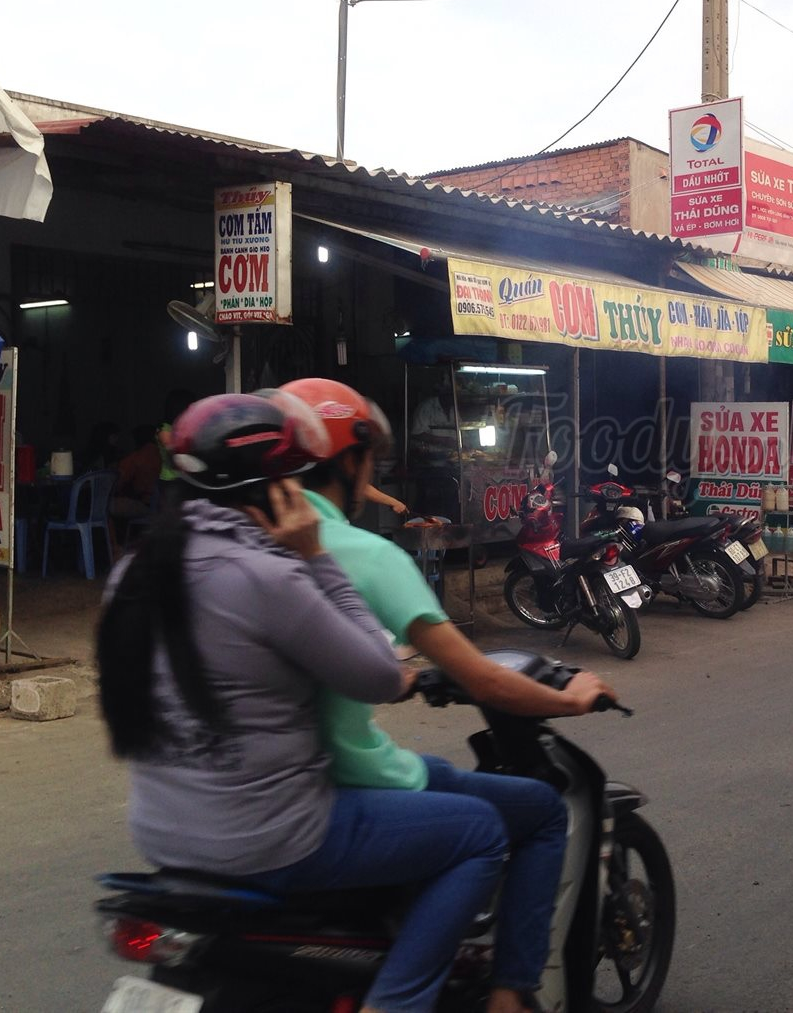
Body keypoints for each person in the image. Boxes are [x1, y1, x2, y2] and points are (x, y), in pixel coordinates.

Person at [95, 392, 512, 1013]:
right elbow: (377, 675)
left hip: (161, 836)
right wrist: (316, 555)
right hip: (272, 838)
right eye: (292, 477)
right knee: (481, 831)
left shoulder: (131, 571)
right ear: (277, 487)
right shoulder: (268, 574)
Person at [280, 377, 616, 1013]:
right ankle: (510, 995)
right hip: (340, 790)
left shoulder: (222, 548)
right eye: (369, 460)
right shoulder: (366, 555)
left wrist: (402, 678)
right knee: (536, 814)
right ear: (348, 463)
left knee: (437, 774)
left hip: (237, 805)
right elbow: (480, 677)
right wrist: (571, 698)